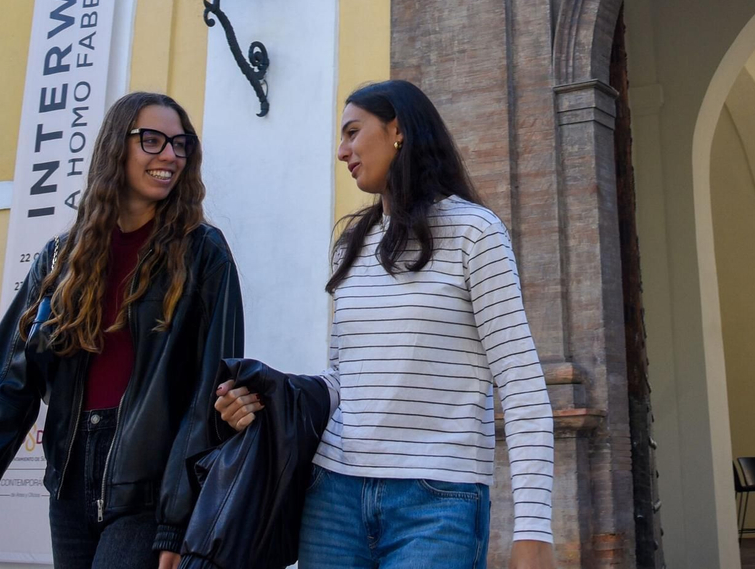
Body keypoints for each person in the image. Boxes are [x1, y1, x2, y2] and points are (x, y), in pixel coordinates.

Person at [214, 80, 556, 569]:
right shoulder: (351, 244)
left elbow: (521, 386)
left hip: (437, 503)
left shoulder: (475, 233)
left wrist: (533, 530)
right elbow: (344, 379)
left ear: (397, 131)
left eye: (353, 132)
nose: (341, 151)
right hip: (332, 495)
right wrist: (269, 398)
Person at [0, 91, 244, 569]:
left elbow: (210, 392)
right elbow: (7, 381)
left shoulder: (203, 254)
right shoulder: (60, 259)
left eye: (180, 144)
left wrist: (179, 516)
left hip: (149, 487)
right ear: (116, 147)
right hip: (68, 483)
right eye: (151, 141)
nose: (170, 156)